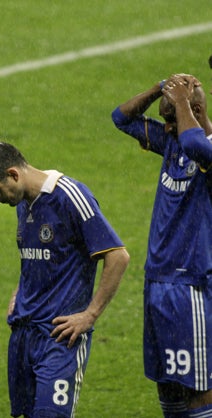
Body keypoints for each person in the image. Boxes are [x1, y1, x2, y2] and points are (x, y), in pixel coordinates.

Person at [0, 142, 130, 417]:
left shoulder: (69, 196)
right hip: (24, 334)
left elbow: (118, 256)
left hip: (60, 338)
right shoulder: (24, 203)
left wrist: (90, 315)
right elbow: (40, 257)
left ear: (13, 174)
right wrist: (19, 291)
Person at [112, 74, 212, 417]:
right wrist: (161, 88)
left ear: (195, 110)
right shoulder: (172, 141)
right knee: (167, 385)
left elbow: (199, 146)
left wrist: (182, 104)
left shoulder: (206, 148)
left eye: (170, 120)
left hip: (191, 286)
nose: (165, 128)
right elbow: (121, 118)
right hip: (156, 281)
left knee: (199, 388)